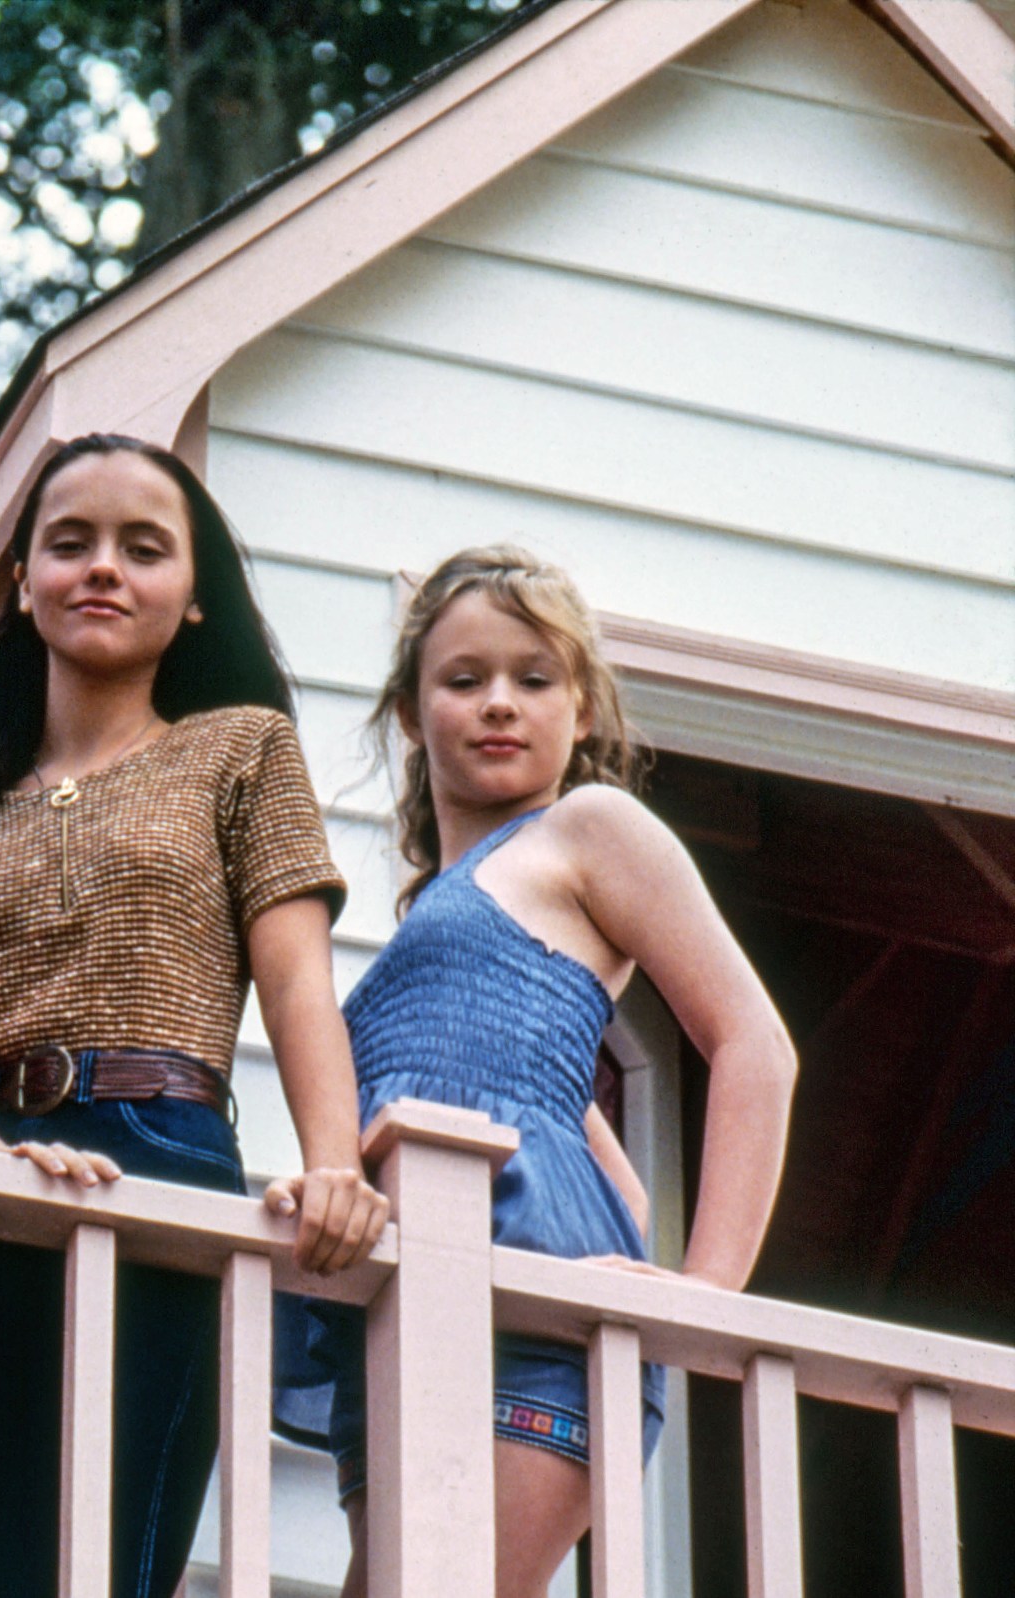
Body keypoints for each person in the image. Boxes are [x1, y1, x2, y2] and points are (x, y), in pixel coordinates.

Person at [0, 433, 389, 1598]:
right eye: (68, 544)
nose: (103, 569)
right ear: (22, 583)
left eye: (144, 548)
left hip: (160, 1154)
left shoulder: (240, 749)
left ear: (192, 597)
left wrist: (335, 1164)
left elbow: (297, 983)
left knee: (107, 1561)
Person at [312, 545, 796, 1598]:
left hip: (528, 1315)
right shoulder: (423, 917)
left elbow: (755, 1043)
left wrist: (701, 1295)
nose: (499, 703)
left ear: (580, 710)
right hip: (401, 1302)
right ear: (409, 711)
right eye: (463, 677)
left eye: (535, 678)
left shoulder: (589, 828)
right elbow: (564, 1112)